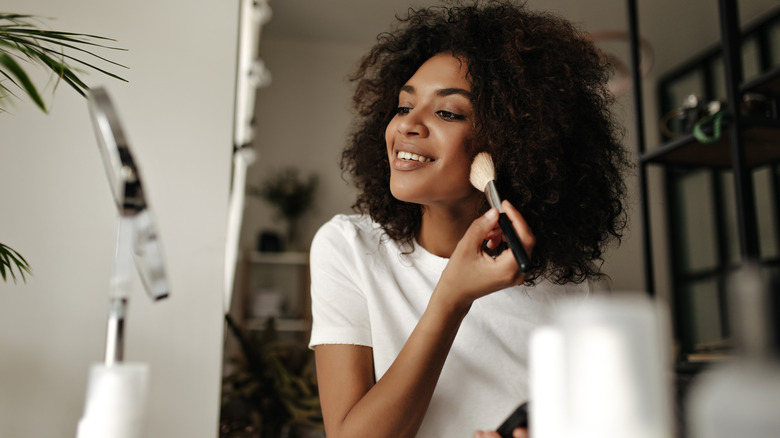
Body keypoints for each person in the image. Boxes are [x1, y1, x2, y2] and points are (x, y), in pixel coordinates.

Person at [308, 1, 631, 437]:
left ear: (514, 142)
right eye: (404, 107)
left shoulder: (569, 290)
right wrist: (450, 299)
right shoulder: (350, 249)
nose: (407, 125)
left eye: (447, 112)